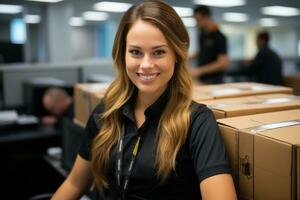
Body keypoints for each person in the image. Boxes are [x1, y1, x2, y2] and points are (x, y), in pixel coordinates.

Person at [51, 1, 237, 199]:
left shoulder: (197, 121)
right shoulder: (105, 113)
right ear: (122, 55)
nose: (146, 64)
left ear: (177, 54)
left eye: (159, 52)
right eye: (135, 52)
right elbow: (74, 184)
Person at [189, 5, 229, 84]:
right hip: (202, 79)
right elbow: (203, 51)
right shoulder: (202, 35)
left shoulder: (219, 36)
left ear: (206, 17)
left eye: (198, 20)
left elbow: (223, 63)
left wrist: (200, 70)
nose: (196, 23)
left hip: (214, 80)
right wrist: (187, 58)